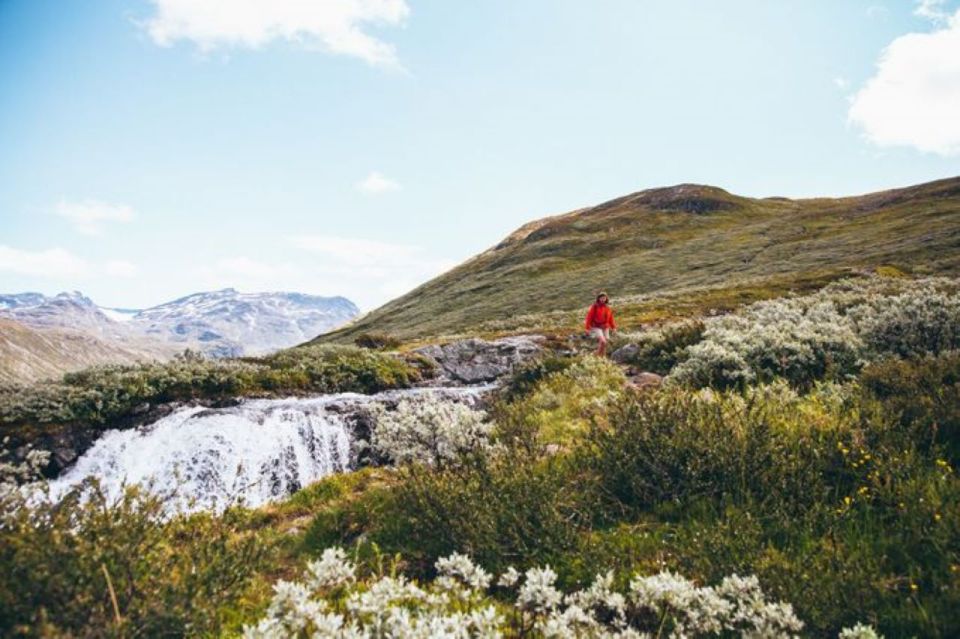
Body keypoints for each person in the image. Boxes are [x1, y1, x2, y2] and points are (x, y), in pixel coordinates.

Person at [585, 292, 616, 356]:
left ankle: (602, 356)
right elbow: (589, 317)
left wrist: (613, 327)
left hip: (605, 326)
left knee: (605, 341)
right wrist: (587, 328)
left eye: (604, 298)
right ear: (598, 299)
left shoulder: (607, 307)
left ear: (606, 299)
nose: (603, 299)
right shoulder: (595, 306)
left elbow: (611, 318)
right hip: (596, 326)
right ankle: (598, 355)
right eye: (601, 298)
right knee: (603, 341)